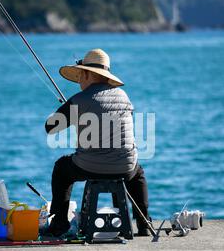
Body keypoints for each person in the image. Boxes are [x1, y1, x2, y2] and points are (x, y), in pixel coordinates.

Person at [45, 49, 150, 237]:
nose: (79, 81)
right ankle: (143, 223)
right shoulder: (124, 96)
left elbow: (50, 127)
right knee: (138, 172)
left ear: (87, 74)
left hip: (89, 166)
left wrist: (72, 114)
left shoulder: (79, 99)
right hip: (126, 168)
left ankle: (59, 224)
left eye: (80, 75)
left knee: (61, 168)